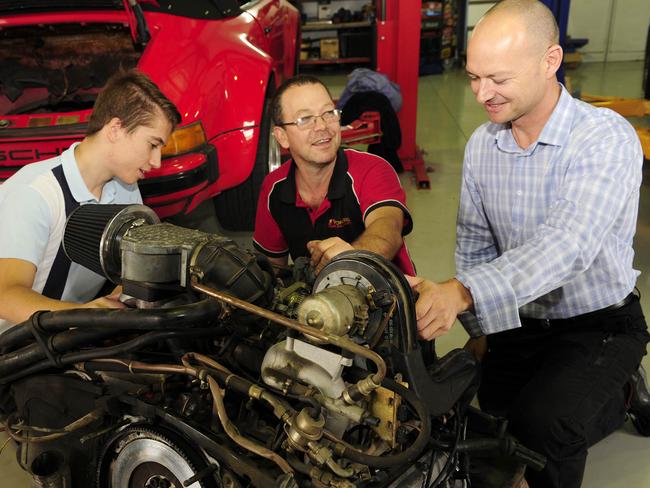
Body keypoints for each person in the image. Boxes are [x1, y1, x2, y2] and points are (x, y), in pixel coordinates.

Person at [405, 1, 649, 487]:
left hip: (597, 322)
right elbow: (475, 243)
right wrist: (479, 328)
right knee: (491, 414)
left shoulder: (604, 139)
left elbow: (569, 245)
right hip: (521, 317)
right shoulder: (482, 145)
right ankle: (588, 402)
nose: (481, 94)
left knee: (547, 424)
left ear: (550, 60)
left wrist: (465, 292)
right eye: (474, 77)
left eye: (498, 78)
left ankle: (619, 389)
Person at [0, 69, 181, 333]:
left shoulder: (126, 192)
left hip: (67, 337)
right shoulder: (36, 192)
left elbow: (131, 273)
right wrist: (87, 315)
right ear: (116, 129)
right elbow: (5, 295)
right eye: (153, 144)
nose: (156, 161)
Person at [253, 75, 415, 275]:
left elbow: (387, 231)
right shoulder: (273, 188)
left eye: (328, 113)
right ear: (282, 137)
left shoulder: (372, 169)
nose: (322, 126)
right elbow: (273, 270)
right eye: (305, 119)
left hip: (388, 297)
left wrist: (349, 258)